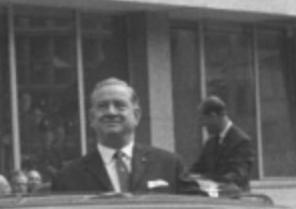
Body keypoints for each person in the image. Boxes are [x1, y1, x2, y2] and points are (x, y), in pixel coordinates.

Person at [50, 78, 187, 193]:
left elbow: (200, 208)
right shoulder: (68, 177)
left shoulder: (169, 165)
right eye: (102, 106)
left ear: (137, 115)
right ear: (91, 118)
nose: (111, 112)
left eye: (120, 105)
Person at [191, 95, 256, 194]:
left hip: (236, 200)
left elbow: (237, 176)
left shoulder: (242, 142)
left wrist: (206, 178)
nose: (202, 125)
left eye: (203, 120)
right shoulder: (210, 143)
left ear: (213, 116)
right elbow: (198, 168)